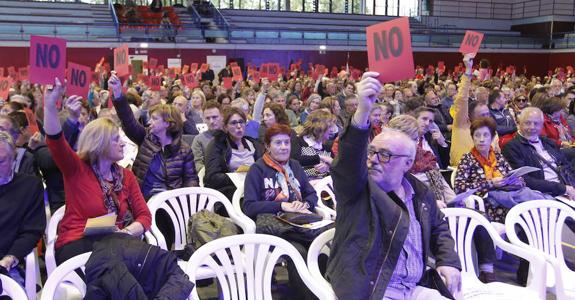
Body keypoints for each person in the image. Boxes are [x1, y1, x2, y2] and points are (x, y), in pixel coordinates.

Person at [327, 72, 461, 300]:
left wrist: (448, 260)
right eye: (371, 152)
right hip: (374, 289)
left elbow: (440, 228)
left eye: (386, 155)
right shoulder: (358, 188)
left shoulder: (419, 192)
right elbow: (349, 160)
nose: (374, 159)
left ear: (408, 163)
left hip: (415, 287)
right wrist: (362, 110)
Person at [44, 78, 152, 264]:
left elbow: (145, 216)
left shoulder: (126, 176)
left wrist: (127, 231)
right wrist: (50, 105)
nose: (122, 143)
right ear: (99, 143)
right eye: (116, 139)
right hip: (76, 245)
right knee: (119, 262)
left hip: (114, 243)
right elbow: (55, 140)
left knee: (153, 259)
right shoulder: (76, 169)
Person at [242, 123, 319, 299]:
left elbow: (311, 194)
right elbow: (249, 206)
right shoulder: (258, 169)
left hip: (299, 222)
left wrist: (305, 204)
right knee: (298, 252)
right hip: (275, 227)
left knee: (320, 249)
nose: (284, 147)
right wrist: (281, 205)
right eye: (278, 143)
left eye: (287, 142)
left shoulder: (295, 166)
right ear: (268, 146)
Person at [109, 75, 199, 200]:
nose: (149, 122)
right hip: (142, 198)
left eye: (155, 119)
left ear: (168, 123)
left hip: (170, 202)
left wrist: (184, 203)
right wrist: (118, 94)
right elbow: (128, 120)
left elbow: (191, 180)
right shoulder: (145, 138)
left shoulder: (184, 150)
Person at [0, 131, 45, 286]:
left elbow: (32, 231)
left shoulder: (30, 186)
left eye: (1, 161)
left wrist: (11, 257)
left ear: (13, 158)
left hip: (6, 264)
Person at [503, 107, 575, 199]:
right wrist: (563, 188)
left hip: (566, 187)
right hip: (544, 194)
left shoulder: (547, 142)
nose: (532, 127)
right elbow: (525, 180)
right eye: (527, 123)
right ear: (519, 124)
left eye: (536, 123)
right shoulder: (512, 147)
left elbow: (566, 165)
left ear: (541, 126)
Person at [388, 115, 456, 207]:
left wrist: (455, 201)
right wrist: (431, 204)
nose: (415, 144)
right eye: (412, 139)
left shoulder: (426, 157)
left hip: (440, 208)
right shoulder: (391, 166)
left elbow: (445, 188)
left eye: (416, 139)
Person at [204, 107, 263, 200]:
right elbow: (211, 178)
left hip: (255, 189)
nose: (239, 126)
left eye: (241, 122)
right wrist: (237, 177)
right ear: (225, 127)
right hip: (230, 193)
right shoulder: (217, 144)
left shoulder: (254, 144)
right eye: (234, 123)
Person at [291, 110, 334, 179]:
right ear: (320, 128)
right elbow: (296, 160)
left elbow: (335, 166)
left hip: (325, 184)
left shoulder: (327, 145)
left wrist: (328, 167)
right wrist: (321, 157)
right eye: (330, 127)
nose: (332, 130)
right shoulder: (298, 141)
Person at [191, 101, 223, 172]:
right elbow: (197, 163)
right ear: (204, 119)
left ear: (222, 116)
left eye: (215, 117)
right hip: (209, 176)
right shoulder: (199, 139)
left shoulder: (230, 135)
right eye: (208, 118)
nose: (211, 121)